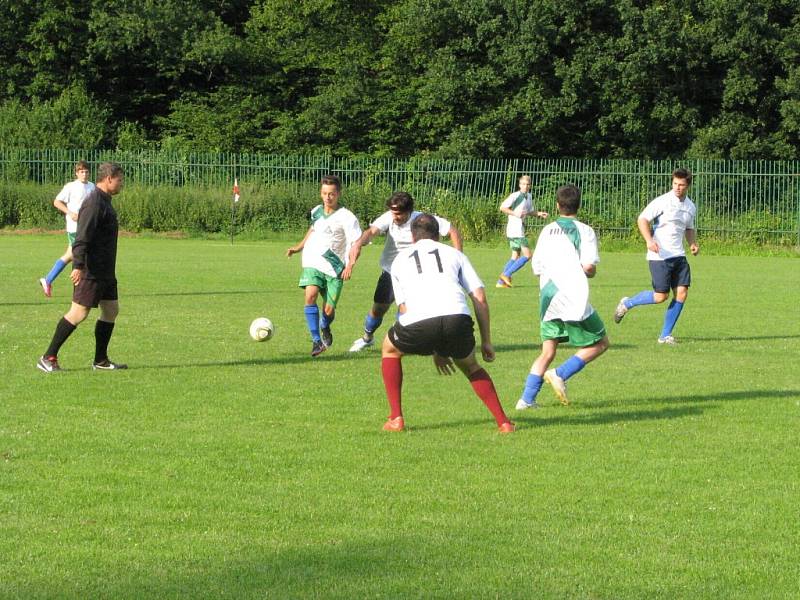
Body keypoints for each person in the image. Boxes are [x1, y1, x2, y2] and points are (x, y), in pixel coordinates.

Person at [379, 213, 514, 433]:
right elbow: (479, 298)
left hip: (419, 322)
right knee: (470, 365)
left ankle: (396, 418)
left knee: (389, 349)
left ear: (413, 237)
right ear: (438, 236)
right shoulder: (455, 254)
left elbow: (403, 308)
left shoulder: (400, 260)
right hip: (457, 320)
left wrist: (434, 345)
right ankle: (504, 422)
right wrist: (486, 341)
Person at [516, 184, 609, 409]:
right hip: (571, 295)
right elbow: (588, 268)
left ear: (557, 205)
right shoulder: (585, 231)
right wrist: (588, 271)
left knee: (548, 350)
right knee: (601, 342)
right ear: (579, 205)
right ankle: (560, 373)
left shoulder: (547, 230)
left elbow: (536, 267)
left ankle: (526, 400)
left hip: (547, 295)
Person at [343, 191, 462, 352]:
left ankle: (404, 343)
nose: (395, 217)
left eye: (399, 214)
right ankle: (367, 338)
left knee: (407, 308)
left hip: (416, 274)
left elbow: (452, 230)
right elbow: (371, 232)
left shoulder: (422, 220)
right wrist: (358, 244)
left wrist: (458, 256)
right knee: (378, 309)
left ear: (409, 211)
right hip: (390, 271)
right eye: (393, 213)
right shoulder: (388, 217)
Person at [37, 162, 126, 373]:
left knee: (111, 310)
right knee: (78, 312)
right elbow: (81, 238)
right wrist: (78, 265)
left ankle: (101, 360)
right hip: (90, 270)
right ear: (109, 178)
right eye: (120, 180)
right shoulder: (94, 203)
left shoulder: (105, 200)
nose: (122, 184)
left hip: (105, 271)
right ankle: (47, 357)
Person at [613, 168, 699, 345]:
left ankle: (665, 335)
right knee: (661, 296)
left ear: (688, 185)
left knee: (682, 293)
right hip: (659, 255)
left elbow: (689, 228)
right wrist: (648, 240)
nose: (677, 187)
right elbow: (642, 219)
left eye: (681, 185)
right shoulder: (663, 201)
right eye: (675, 183)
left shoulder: (690, 206)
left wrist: (692, 243)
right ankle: (628, 303)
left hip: (679, 256)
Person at [286, 175, 362, 357]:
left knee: (328, 310)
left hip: (335, 268)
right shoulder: (316, 211)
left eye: (332, 194)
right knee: (310, 295)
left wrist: (350, 264)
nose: (328, 197)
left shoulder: (347, 217)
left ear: (338, 194)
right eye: (324, 193)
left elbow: (357, 242)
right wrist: (298, 247)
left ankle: (325, 326)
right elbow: (313, 230)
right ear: (321, 193)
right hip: (313, 261)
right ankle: (316, 341)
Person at [39, 160, 95, 297]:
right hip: (75, 227)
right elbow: (57, 202)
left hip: (86, 226)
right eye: (82, 171)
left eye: (86, 171)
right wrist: (70, 213)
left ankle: (48, 279)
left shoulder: (92, 187)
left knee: (72, 254)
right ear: (76, 173)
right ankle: (82, 286)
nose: (84, 174)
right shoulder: (71, 186)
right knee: (80, 254)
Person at [495, 175, 548, 288]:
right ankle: (506, 274)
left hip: (518, 229)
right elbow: (502, 207)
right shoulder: (515, 195)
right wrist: (515, 213)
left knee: (515, 255)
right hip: (515, 229)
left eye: (528, 184)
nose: (525, 186)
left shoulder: (528, 196)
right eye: (523, 184)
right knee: (528, 255)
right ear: (519, 185)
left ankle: (500, 283)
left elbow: (529, 211)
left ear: (530, 185)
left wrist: (538, 214)